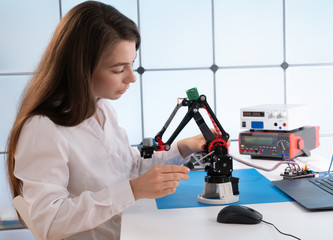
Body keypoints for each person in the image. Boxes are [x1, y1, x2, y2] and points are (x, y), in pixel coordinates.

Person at [6, 1, 209, 239]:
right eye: (118, 69)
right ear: (81, 68)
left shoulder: (101, 108)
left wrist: (182, 147)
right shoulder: (43, 128)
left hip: (129, 230)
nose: (132, 78)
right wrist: (131, 191)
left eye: (132, 64)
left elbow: (128, 167)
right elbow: (47, 222)